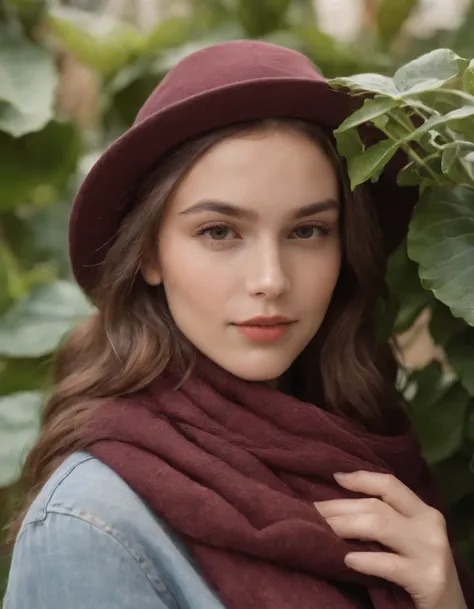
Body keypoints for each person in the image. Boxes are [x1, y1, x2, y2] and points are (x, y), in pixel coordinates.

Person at [3, 40, 473, 609]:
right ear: (149, 254)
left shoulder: (365, 448)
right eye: (220, 232)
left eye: (308, 231)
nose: (271, 280)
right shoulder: (90, 525)